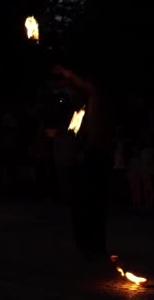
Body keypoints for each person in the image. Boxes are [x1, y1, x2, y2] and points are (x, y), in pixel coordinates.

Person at [52, 64, 112, 262]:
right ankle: (87, 246)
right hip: (81, 162)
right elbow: (73, 134)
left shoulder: (97, 103)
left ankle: (94, 247)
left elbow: (91, 90)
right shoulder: (81, 111)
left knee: (90, 206)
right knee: (81, 206)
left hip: (93, 160)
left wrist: (69, 73)